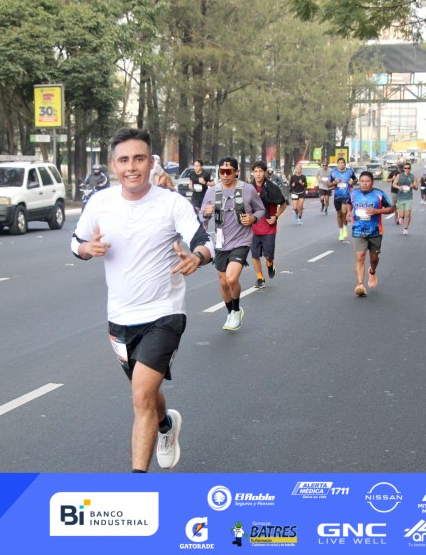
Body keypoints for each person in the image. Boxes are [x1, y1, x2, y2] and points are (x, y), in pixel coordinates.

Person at [71, 128, 213, 472]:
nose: (131, 167)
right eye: (124, 160)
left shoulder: (171, 203)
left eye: (139, 158)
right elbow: (76, 243)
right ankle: (166, 425)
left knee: (140, 396)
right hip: (120, 318)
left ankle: (136, 484)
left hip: (164, 313)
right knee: (145, 393)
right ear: (113, 165)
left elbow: (204, 241)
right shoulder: (100, 202)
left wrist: (197, 257)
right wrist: (87, 248)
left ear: (151, 162)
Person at [200, 156, 265, 330]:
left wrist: (252, 218)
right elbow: (201, 216)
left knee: (231, 278)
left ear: (236, 172)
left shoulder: (247, 189)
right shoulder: (212, 191)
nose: (225, 175)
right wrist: (205, 213)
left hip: (241, 240)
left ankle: (236, 311)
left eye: (229, 171)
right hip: (221, 242)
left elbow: (261, 209)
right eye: (222, 171)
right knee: (223, 282)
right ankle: (231, 312)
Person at [349, 171, 395, 296]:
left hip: (375, 230)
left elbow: (391, 208)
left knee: (374, 258)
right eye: (362, 181)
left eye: (367, 181)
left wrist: (376, 211)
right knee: (360, 256)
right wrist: (348, 212)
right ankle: (360, 284)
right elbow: (348, 203)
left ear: (372, 182)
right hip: (358, 230)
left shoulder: (379, 194)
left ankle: (372, 271)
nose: (364, 184)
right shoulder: (354, 194)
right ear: (359, 182)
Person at [249, 160, 287, 288]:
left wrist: (276, 216)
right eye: (256, 171)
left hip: (268, 227)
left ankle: (270, 264)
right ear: (252, 173)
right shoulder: (249, 188)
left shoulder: (272, 188)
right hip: (253, 227)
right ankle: (260, 277)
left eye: (260, 171)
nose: (258, 174)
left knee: (268, 255)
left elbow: (283, 204)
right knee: (254, 254)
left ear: (265, 172)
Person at [329, 157, 356, 241]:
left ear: (345, 164)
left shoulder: (350, 171)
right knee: (339, 214)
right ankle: (341, 231)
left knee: (344, 211)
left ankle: (345, 227)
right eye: (339, 163)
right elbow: (328, 184)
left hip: (347, 195)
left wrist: (352, 182)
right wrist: (334, 182)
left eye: (342, 162)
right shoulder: (333, 172)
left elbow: (355, 179)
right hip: (337, 196)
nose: (341, 164)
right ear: (337, 164)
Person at [393, 162, 415, 235]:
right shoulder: (399, 176)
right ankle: (401, 217)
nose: (407, 169)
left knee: (408, 213)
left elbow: (416, 187)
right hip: (400, 197)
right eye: (405, 168)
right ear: (403, 169)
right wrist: (399, 187)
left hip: (409, 197)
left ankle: (406, 228)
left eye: (408, 168)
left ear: (410, 169)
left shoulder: (413, 176)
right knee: (402, 215)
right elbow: (394, 184)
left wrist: (413, 186)